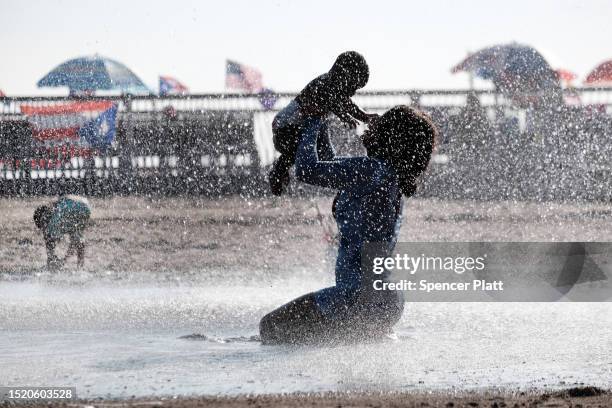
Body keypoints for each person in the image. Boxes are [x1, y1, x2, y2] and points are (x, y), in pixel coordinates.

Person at [260, 105, 438, 345]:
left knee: (270, 328)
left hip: (355, 298)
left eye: (381, 121)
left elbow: (307, 170)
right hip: (386, 302)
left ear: (390, 135)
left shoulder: (371, 171)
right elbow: (327, 162)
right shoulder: (385, 174)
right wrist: (322, 120)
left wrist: (312, 118)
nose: (373, 122)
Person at [268, 51, 379, 195]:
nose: (352, 92)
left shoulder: (335, 86)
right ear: (342, 76)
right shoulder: (325, 83)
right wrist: (344, 116)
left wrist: (364, 116)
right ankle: (278, 171)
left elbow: (347, 104)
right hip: (287, 127)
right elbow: (332, 102)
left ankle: (347, 184)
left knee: (327, 158)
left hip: (309, 125)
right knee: (296, 151)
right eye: (353, 86)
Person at [33, 195, 91, 270]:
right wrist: (64, 259)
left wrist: (51, 255)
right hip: (85, 206)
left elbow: (50, 239)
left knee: (49, 237)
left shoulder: (54, 215)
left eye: (42, 225)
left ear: (43, 217)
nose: (43, 228)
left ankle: (51, 262)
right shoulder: (56, 206)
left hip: (68, 207)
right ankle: (80, 266)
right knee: (77, 237)